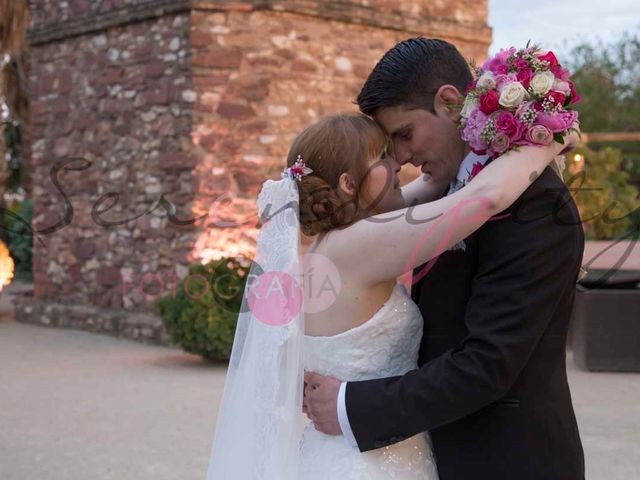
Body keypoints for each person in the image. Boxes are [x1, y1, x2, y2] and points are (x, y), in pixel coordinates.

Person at [206, 106, 579, 478]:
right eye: (383, 156)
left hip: (343, 450)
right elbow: (482, 199)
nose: (399, 163)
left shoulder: (329, 245)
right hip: (372, 462)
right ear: (350, 185)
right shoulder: (360, 245)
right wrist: (550, 139)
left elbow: (434, 185)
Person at [304, 38, 586, 480]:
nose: (402, 158)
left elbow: (488, 364)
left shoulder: (536, 204)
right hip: (432, 453)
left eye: (403, 135)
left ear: (451, 103)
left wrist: (349, 405)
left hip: (505, 461)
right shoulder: (450, 193)